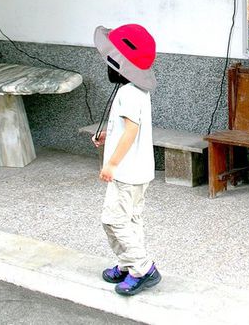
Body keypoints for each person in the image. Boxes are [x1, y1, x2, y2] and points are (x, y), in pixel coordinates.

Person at [92, 24, 160, 296]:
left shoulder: (128, 93)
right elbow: (128, 128)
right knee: (131, 220)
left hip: (127, 173)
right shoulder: (136, 91)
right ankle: (127, 263)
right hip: (138, 171)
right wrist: (108, 135)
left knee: (114, 221)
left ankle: (143, 268)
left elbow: (131, 131)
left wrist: (111, 164)